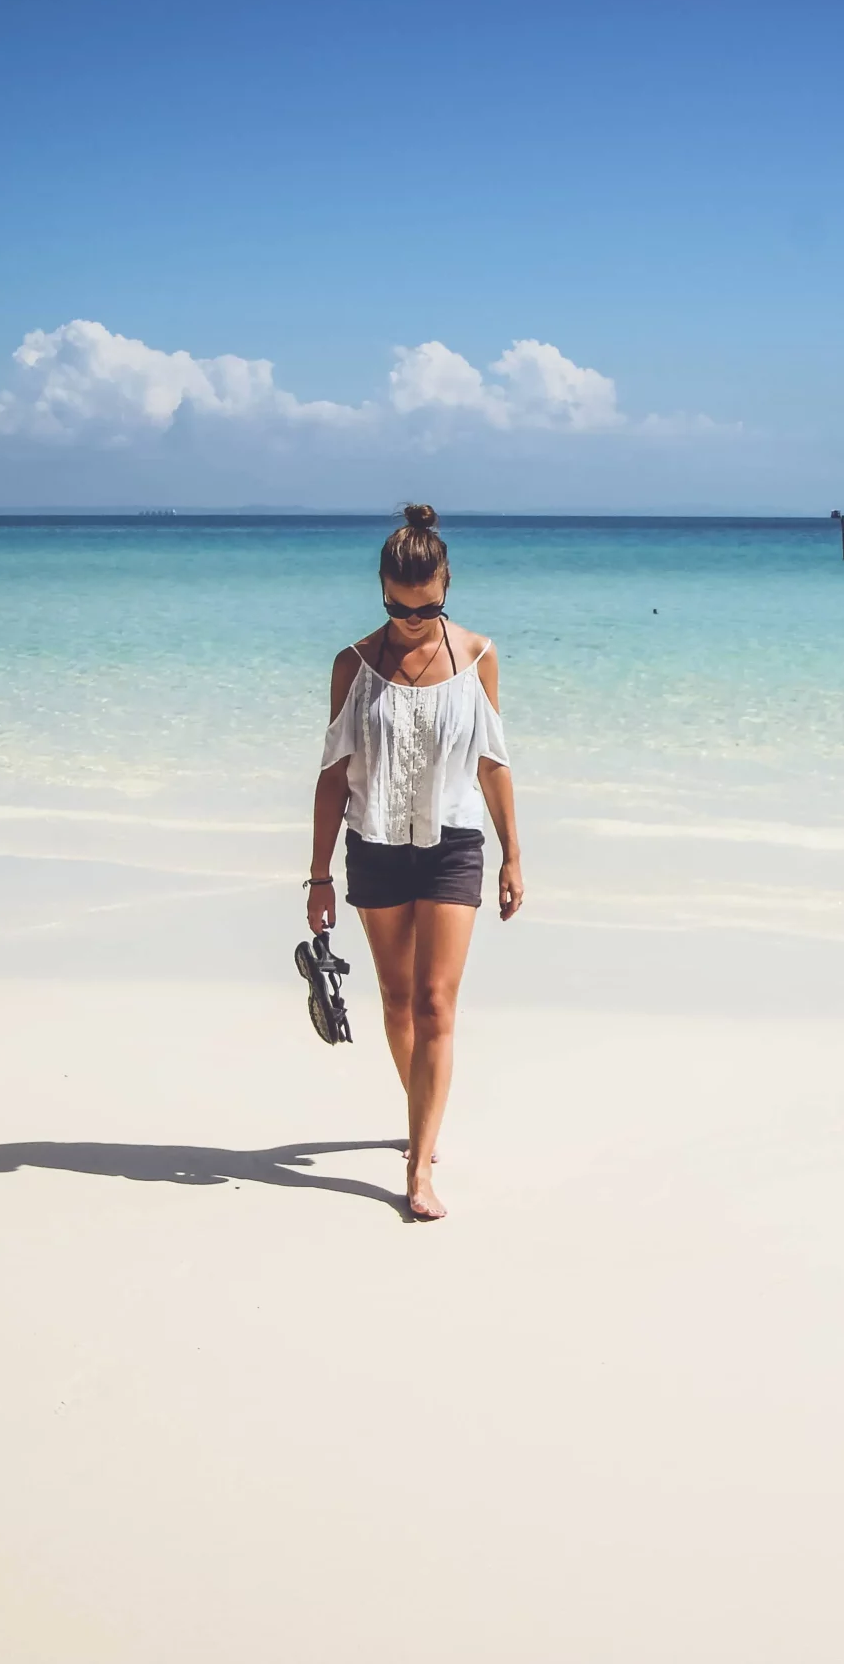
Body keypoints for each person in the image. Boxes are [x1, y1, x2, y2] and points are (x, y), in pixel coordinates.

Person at [307, 506, 524, 1220]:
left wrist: (512, 855)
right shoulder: (354, 665)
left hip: (454, 847)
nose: (413, 622)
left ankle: (418, 1166)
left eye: (427, 608)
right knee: (396, 1002)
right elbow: (334, 776)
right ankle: (421, 1121)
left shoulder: (478, 656)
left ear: (446, 585)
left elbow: (493, 763)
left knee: (435, 1003)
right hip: (372, 848)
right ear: (381, 590)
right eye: (399, 610)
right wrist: (318, 876)